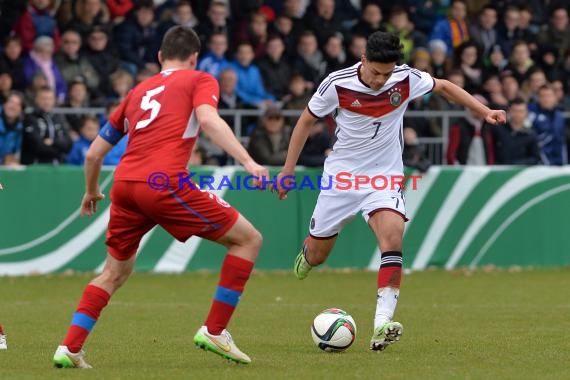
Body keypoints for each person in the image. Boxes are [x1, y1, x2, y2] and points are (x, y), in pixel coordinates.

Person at [274, 31, 506, 352]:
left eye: (387, 73)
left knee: (393, 238)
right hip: (342, 179)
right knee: (318, 254)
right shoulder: (336, 84)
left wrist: (484, 111)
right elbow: (304, 121)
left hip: (383, 177)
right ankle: (309, 255)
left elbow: (444, 86)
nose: (382, 80)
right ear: (363, 60)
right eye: (376, 72)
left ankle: (381, 323)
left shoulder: (404, 78)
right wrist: (287, 170)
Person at [52, 26, 268, 368]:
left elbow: (94, 154)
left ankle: (69, 347)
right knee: (249, 240)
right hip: (163, 183)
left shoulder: (138, 90)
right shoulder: (199, 79)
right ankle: (215, 330)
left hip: (124, 185)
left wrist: (92, 191)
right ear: (195, 57)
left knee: (114, 272)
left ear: (159, 57)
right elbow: (209, 120)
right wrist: (248, 161)